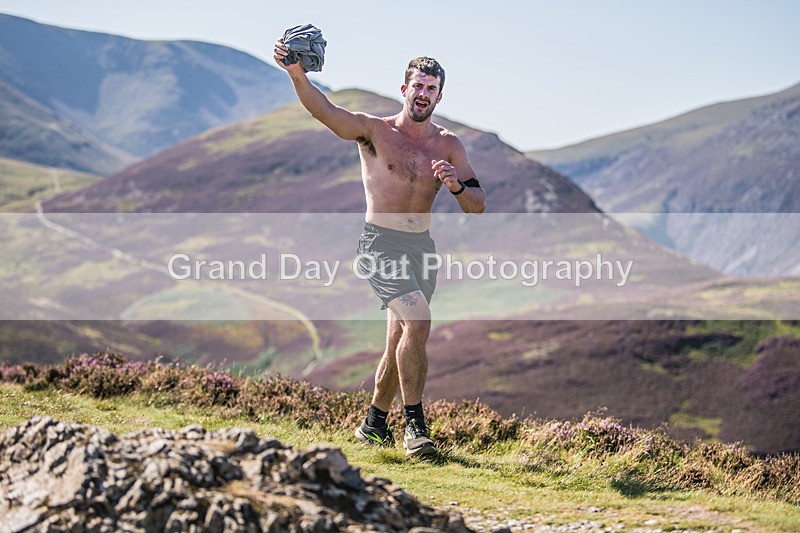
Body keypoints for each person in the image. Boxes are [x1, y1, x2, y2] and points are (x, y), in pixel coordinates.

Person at [274, 38, 486, 457]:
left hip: (420, 248)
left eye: (431, 89)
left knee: (399, 341)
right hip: (380, 245)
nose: (422, 94)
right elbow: (327, 113)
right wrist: (297, 74)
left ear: (439, 96)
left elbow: (477, 206)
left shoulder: (448, 145)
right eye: (417, 86)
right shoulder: (375, 131)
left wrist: (455, 184)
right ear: (404, 89)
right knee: (419, 323)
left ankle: (373, 424)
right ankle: (415, 430)